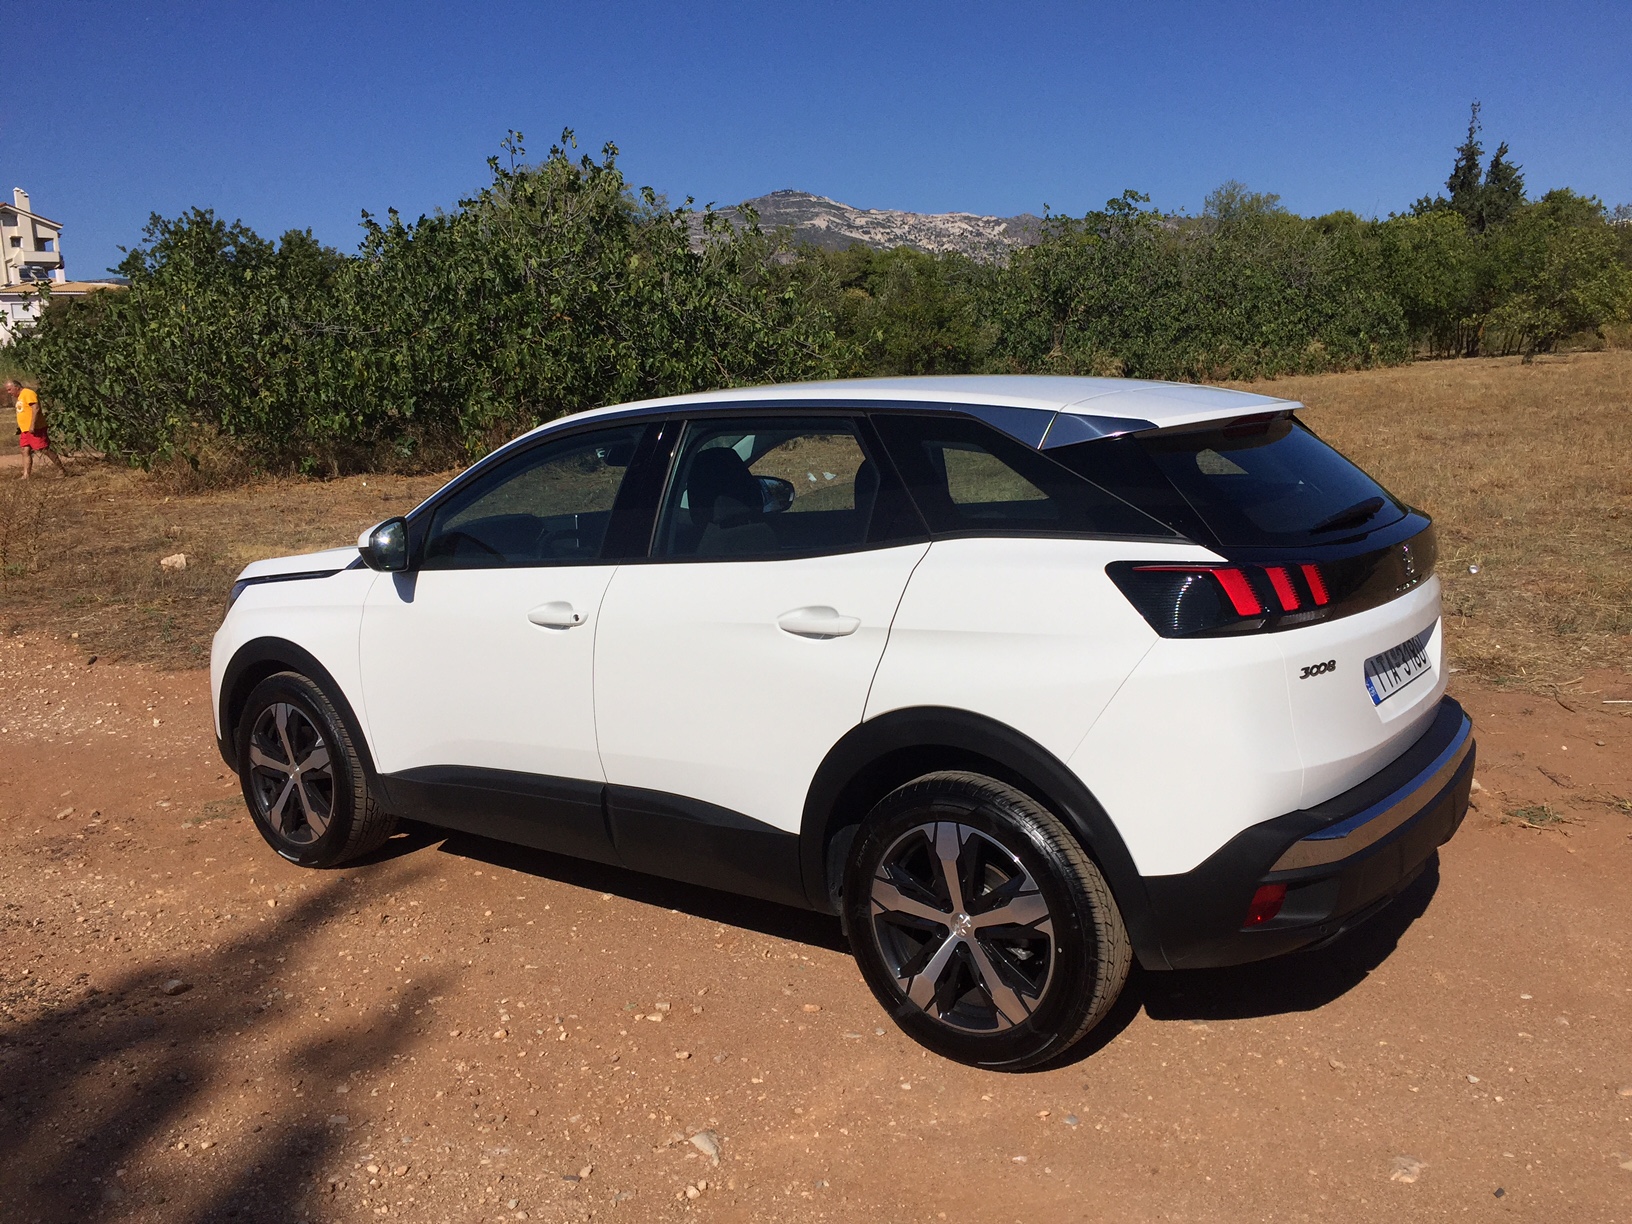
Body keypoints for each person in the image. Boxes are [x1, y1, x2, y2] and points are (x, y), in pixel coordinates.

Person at [8, 379, 67, 479]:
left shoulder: (28, 393)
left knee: (44, 449)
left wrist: (32, 425)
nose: (9, 392)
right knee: (25, 450)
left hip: (35, 428)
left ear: (16, 387)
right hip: (25, 430)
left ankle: (61, 470)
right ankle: (26, 475)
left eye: (10, 389)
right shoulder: (20, 397)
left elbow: (36, 408)